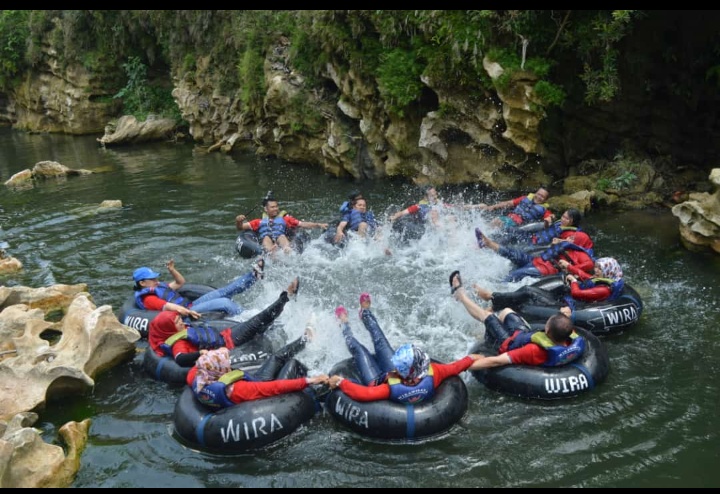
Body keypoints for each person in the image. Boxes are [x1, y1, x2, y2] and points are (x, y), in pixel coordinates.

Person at [327, 292, 480, 403]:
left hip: (376, 379)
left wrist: (341, 382)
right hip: (402, 376)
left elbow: (364, 394)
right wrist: (472, 358)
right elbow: (456, 367)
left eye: (398, 366)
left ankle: (344, 324)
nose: (395, 367)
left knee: (359, 349)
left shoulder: (390, 389)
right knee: (380, 339)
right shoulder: (434, 372)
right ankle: (365, 313)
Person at [147, 277, 301, 367]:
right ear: (169, 329)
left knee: (262, 325)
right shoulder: (179, 343)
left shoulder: (182, 330)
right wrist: (199, 353)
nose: (181, 322)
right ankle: (285, 297)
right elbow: (180, 359)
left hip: (226, 334)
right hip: (230, 342)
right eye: (177, 321)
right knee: (257, 321)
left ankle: (286, 301)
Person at [450, 272, 586, 369]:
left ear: (547, 330)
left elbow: (497, 361)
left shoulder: (533, 351)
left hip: (506, 342)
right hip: (522, 334)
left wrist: (458, 367)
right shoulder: (569, 338)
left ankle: (460, 294)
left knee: (487, 316)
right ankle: (487, 332)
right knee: (507, 311)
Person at [186, 326, 329, 409]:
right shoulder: (236, 390)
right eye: (225, 362)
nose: (228, 363)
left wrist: (205, 357)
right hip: (264, 394)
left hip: (251, 384)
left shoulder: (198, 379)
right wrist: (311, 380)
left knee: (276, 358)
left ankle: (305, 339)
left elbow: (196, 369)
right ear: (219, 369)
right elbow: (274, 388)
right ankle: (320, 393)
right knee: (290, 363)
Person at [466, 256, 626, 314]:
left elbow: (578, 294)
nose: (595, 270)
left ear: (608, 272)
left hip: (569, 306)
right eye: (596, 267)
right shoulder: (603, 280)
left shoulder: (603, 289)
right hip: (566, 298)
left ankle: (491, 296)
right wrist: (570, 269)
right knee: (531, 290)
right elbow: (587, 276)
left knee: (529, 292)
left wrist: (574, 281)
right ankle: (494, 306)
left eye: (599, 268)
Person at [133, 259, 264, 319]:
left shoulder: (158, 287)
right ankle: (252, 318)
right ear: (143, 283)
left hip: (190, 305)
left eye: (156, 278)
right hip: (186, 313)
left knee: (221, 292)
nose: (156, 281)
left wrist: (172, 270)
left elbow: (180, 283)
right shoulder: (148, 298)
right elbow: (169, 307)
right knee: (224, 302)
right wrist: (188, 312)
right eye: (153, 279)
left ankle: (253, 276)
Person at [475, 227, 595, 282]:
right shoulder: (567, 247)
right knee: (512, 253)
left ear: (579, 242)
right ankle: (487, 243)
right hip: (538, 261)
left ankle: (492, 288)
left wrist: (568, 267)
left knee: (516, 274)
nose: (568, 239)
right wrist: (555, 243)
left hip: (546, 270)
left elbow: (585, 273)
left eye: (572, 239)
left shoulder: (585, 258)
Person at [235, 196, 328, 255]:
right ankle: (270, 251)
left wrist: (319, 225)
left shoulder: (286, 219)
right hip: (267, 238)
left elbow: (302, 224)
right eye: (272, 207)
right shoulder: (258, 222)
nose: (275, 209)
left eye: (276, 206)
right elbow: (240, 227)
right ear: (266, 209)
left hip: (280, 237)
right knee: (266, 238)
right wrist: (238, 221)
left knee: (281, 236)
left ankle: (287, 249)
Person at [471, 187, 554, 229]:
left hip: (520, 226)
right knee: (495, 221)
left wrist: (549, 219)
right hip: (509, 219)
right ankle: (481, 232)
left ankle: (483, 235)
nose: (539, 197)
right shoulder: (524, 198)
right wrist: (493, 207)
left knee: (497, 221)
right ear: (535, 193)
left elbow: (550, 218)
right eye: (538, 194)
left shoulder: (544, 210)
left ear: (545, 200)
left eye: (542, 197)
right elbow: (508, 203)